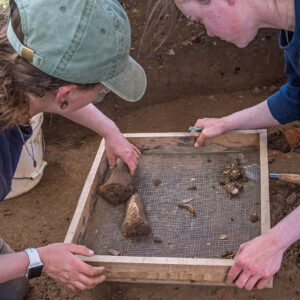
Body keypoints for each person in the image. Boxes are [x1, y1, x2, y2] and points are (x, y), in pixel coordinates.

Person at [0, 0, 146, 298]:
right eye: (101, 90)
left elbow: (50, 90)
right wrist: (39, 259)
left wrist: (110, 130)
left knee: (13, 286)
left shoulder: (15, 64)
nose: (101, 94)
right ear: (66, 93)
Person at [174, 0, 300, 291]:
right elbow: (296, 95)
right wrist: (227, 122)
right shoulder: (291, 29)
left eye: (199, 20)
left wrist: (274, 241)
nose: (210, 33)